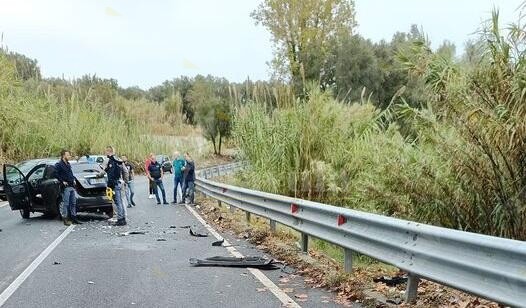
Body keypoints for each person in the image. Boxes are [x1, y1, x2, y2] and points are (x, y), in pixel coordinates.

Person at [99, 146, 127, 226]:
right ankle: (122, 218)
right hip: (119, 182)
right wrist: (125, 181)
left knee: (117, 202)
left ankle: (121, 219)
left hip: (114, 184)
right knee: (120, 202)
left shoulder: (108, 160)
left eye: (106, 151)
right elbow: (125, 171)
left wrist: (98, 175)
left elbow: (104, 171)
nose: (105, 153)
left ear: (109, 151)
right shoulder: (119, 160)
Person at [54, 149, 82, 225]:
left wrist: (73, 179)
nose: (69, 156)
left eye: (69, 155)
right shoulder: (59, 165)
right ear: (63, 156)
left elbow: (70, 173)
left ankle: (74, 218)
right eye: (68, 155)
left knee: (73, 203)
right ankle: (65, 219)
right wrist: (62, 181)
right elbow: (55, 174)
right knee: (66, 203)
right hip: (65, 187)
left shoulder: (68, 164)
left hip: (72, 185)